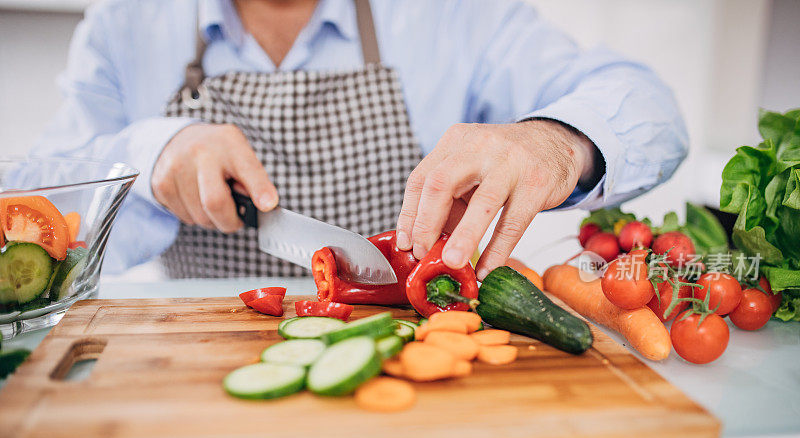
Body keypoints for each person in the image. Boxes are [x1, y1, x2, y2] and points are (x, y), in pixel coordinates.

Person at [32, 0, 688, 279]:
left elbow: (649, 105)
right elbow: (33, 206)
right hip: (188, 360)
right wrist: (150, 154)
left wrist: (556, 140)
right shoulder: (125, 22)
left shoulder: (453, 15)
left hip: (395, 356)